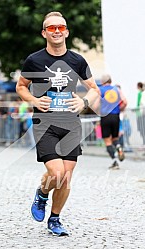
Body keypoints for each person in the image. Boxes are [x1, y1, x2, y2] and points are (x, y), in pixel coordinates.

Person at [16, 11, 99, 236]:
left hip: (71, 124)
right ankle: (42, 193)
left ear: (66, 32)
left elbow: (94, 90)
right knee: (57, 172)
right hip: (45, 123)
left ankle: (55, 219)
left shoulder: (77, 60)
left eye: (60, 27)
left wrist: (83, 102)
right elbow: (21, 86)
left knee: (65, 178)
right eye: (51, 28)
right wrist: (34, 100)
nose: (56, 31)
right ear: (44, 33)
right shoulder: (35, 60)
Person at [99, 75, 127, 169]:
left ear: (102, 81)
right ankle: (119, 147)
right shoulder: (117, 89)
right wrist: (120, 109)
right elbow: (125, 101)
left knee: (107, 140)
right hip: (116, 116)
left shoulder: (100, 90)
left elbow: (94, 103)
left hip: (105, 116)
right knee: (115, 138)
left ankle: (114, 161)